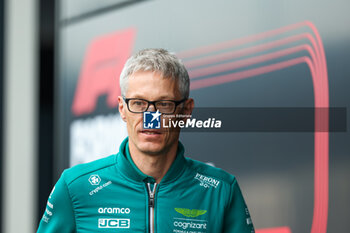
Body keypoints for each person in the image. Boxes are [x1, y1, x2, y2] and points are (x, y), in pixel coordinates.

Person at [37, 48, 255, 233]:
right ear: (122, 109)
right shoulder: (76, 187)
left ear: (186, 110)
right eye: (139, 104)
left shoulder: (221, 190)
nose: (152, 119)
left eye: (164, 104)